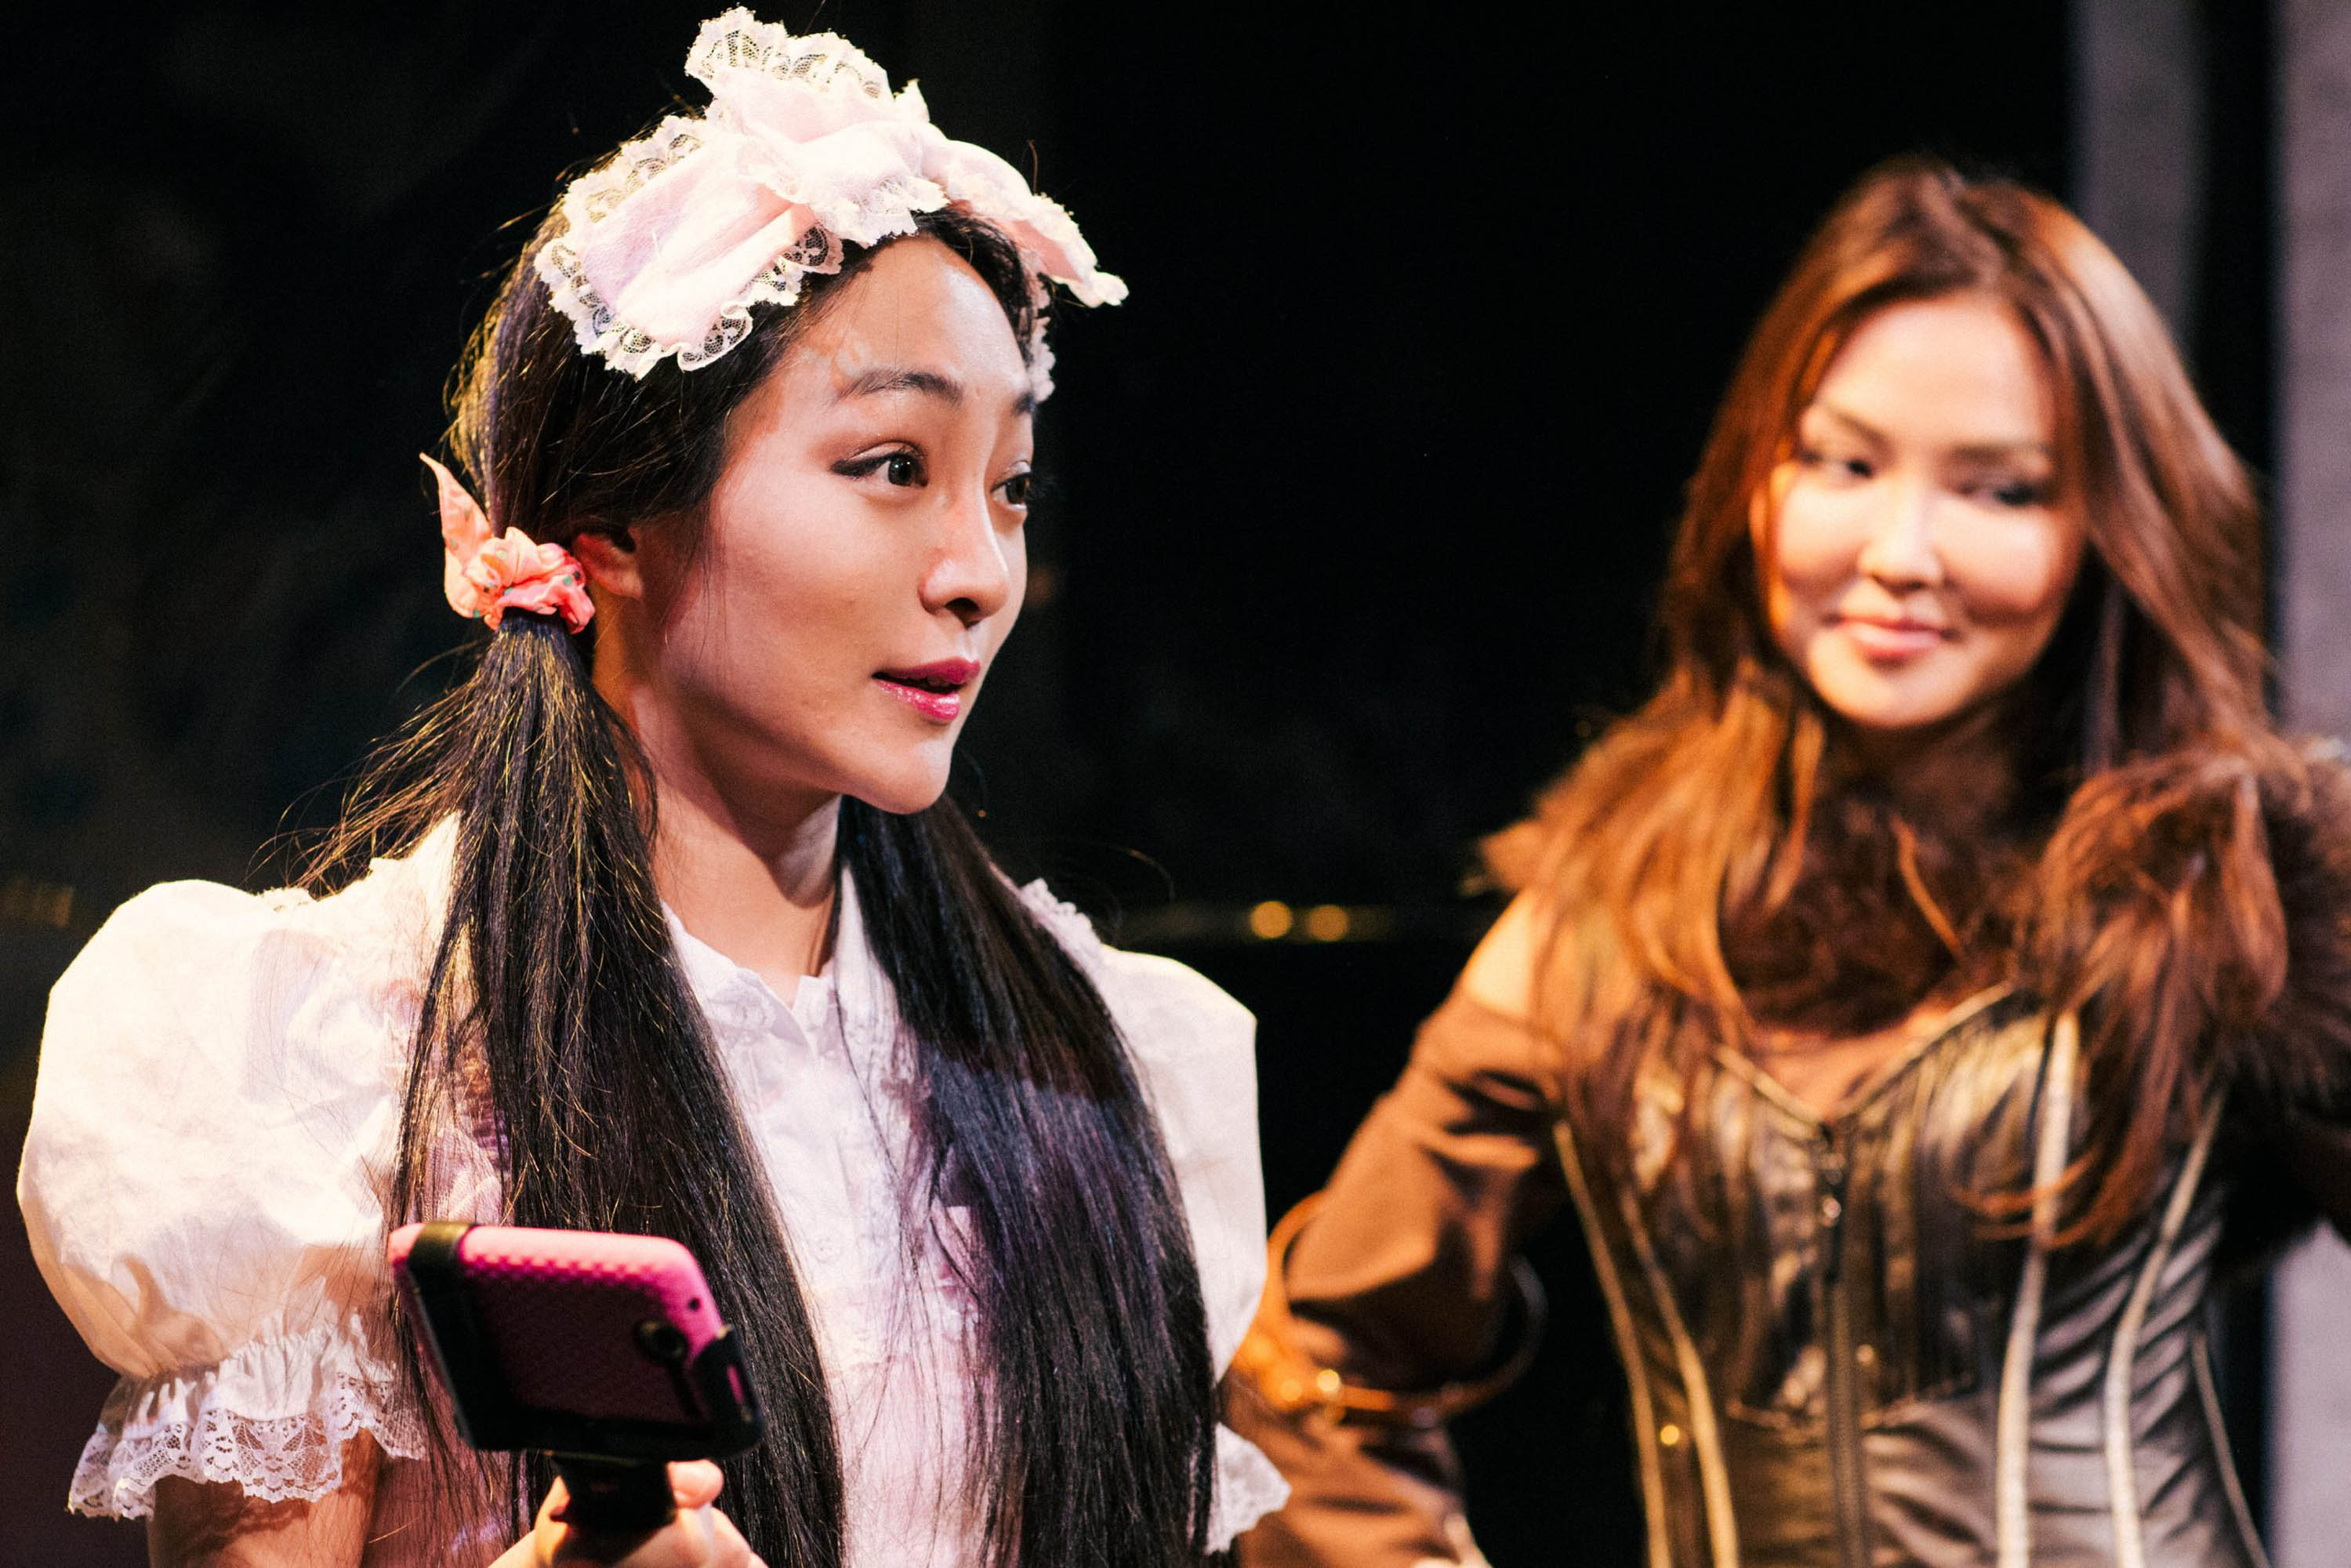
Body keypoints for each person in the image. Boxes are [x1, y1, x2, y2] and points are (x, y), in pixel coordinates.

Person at [18, 12, 1286, 1567]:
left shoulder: (1087, 1050)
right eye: (892, 466)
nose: (979, 570)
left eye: (1009, 485)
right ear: (610, 523)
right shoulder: (344, 1052)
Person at [1227, 158, 2351, 1568]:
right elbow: (1317, 1367)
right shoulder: (1612, 913)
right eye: (1843, 464)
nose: (1900, 552)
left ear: (2112, 528)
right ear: (1757, 479)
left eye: (2000, 489)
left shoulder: (2245, 880)